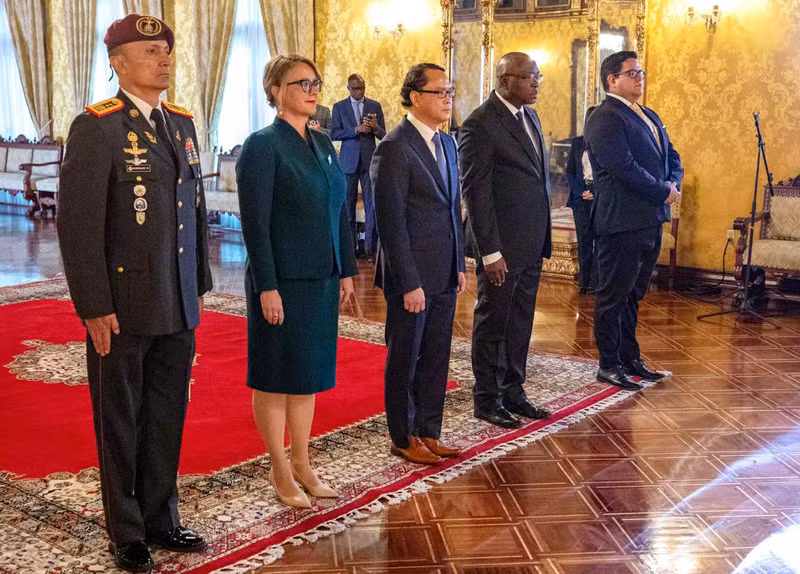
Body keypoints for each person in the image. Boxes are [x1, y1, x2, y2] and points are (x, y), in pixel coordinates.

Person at [56, 14, 211, 572]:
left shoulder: (183, 125)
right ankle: (126, 530)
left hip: (176, 299)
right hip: (123, 305)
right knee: (119, 417)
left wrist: (197, 288)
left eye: (166, 50)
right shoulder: (96, 127)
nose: (164, 59)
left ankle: (160, 516)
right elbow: (76, 225)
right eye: (150, 51)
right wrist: (93, 305)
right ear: (118, 63)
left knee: (168, 412)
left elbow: (191, 215)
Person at [236, 54, 357, 509]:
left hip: (321, 279)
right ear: (276, 90)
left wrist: (346, 268)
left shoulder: (324, 143)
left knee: (306, 376)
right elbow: (256, 222)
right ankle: (279, 468)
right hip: (280, 281)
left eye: (316, 82)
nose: (312, 89)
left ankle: (303, 462)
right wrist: (267, 285)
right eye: (301, 82)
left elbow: (339, 209)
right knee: (274, 376)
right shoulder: (263, 145)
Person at [371, 63, 466, 465]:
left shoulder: (447, 143)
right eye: (440, 92)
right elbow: (391, 223)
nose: (448, 98)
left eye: (450, 91)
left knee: (437, 355)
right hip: (410, 275)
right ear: (415, 97)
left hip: (444, 270)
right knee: (406, 356)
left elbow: (451, 209)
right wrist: (409, 281)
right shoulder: (393, 147)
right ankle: (403, 435)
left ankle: (429, 429)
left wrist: (459, 263)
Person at [459, 52, 552, 430]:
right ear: (504, 80)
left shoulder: (530, 115)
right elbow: (476, 193)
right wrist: (490, 251)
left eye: (537, 76)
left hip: (531, 242)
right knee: (493, 322)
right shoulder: (479, 124)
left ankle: (514, 390)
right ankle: (487, 398)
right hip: (501, 247)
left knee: (520, 321)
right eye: (529, 77)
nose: (536, 83)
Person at [584, 51, 683, 391]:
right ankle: (608, 364)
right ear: (612, 80)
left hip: (650, 219)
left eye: (641, 72)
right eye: (632, 73)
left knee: (633, 295)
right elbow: (622, 167)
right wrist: (661, 190)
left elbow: (672, 155)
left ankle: (630, 358)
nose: (640, 77)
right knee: (613, 296)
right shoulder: (604, 117)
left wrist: (673, 183)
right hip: (621, 221)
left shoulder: (648, 114)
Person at [331, 74, 386, 259]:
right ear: (348, 88)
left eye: (362, 87)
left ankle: (370, 249)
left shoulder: (374, 105)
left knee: (372, 207)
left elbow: (383, 135)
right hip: (348, 162)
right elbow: (334, 133)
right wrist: (356, 130)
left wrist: (375, 127)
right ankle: (350, 249)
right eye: (355, 88)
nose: (359, 91)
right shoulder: (339, 107)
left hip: (370, 161)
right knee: (348, 207)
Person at [566, 105, 598, 294]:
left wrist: (595, 191)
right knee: (584, 241)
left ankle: (596, 282)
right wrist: (581, 192)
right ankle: (584, 282)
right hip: (580, 198)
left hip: (599, 196)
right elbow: (570, 171)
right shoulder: (578, 143)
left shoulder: (606, 143)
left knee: (599, 241)